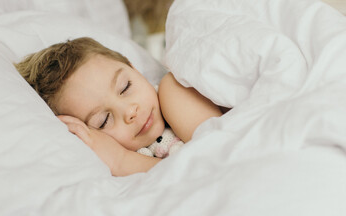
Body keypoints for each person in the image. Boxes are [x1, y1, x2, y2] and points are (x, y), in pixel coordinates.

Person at [15, 37, 225, 176]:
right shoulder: (112, 167)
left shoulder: (173, 92)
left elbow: (216, 161)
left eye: (125, 87)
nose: (130, 111)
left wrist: (122, 161)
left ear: (134, 69)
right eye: (104, 121)